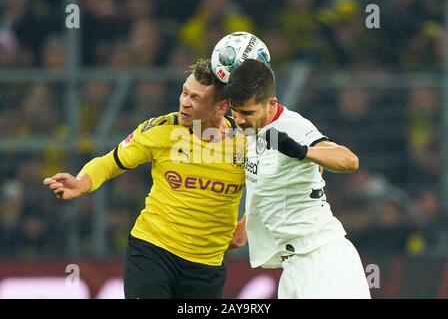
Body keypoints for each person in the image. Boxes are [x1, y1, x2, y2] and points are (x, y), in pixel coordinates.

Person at [43, 58, 247, 299]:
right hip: (153, 251)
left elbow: (275, 185)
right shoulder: (161, 130)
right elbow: (110, 162)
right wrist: (81, 183)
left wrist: (249, 222)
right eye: (184, 92)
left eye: (196, 98)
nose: (184, 102)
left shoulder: (247, 142)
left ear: (221, 107)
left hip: (207, 264)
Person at [224, 59, 371, 299]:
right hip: (292, 268)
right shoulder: (251, 130)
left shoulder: (293, 127)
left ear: (271, 104)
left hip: (324, 261)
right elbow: (267, 195)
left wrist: (302, 152)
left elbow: (349, 160)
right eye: (235, 111)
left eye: (247, 112)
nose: (239, 120)